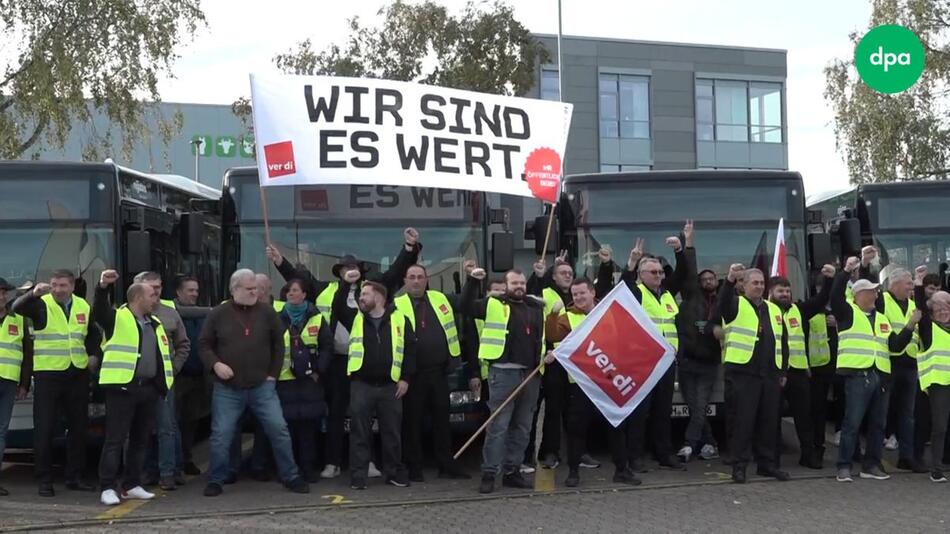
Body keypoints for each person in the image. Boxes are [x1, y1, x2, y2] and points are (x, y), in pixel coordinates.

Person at [265, 227, 420, 479]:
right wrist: (280, 260)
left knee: (366, 416)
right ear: (339, 272)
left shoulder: (373, 291)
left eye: (354, 266)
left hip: (365, 363)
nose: (350, 270)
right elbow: (297, 278)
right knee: (336, 412)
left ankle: (368, 461)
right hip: (337, 363)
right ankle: (333, 462)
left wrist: (409, 248)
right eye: (345, 267)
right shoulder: (325, 290)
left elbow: (395, 273)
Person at [199, 269, 309, 497]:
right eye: (249, 289)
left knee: (279, 429)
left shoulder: (267, 313)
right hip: (228, 388)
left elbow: (279, 344)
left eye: (256, 288)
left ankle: (291, 475)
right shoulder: (218, 314)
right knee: (222, 434)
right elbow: (204, 344)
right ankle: (216, 479)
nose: (255, 293)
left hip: (262, 386)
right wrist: (216, 365)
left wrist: (273, 374)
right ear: (234, 289)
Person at [602, 226, 691, 472]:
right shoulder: (636, 293)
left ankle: (663, 453)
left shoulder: (666, 295)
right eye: (653, 272)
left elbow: (683, 275)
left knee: (663, 412)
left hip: (666, 362)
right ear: (642, 275)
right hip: (642, 363)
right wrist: (630, 264)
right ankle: (635, 457)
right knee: (640, 412)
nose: (659, 276)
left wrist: (680, 251)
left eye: (661, 272)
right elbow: (620, 292)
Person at [12, 269, 101, 497]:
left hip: (77, 373)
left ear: (72, 286)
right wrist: (32, 293)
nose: (58, 290)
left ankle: (75, 476)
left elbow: (92, 334)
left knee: (79, 427)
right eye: (54, 285)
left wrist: (93, 355)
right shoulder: (41, 304)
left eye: (62, 285)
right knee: (45, 428)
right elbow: (16, 308)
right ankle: (44, 480)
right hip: (48, 375)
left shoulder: (82, 305)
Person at [831, 256, 918, 482]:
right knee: (852, 423)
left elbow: (895, 346)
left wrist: (909, 327)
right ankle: (844, 466)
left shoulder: (881, 318)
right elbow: (834, 296)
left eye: (876, 291)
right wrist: (846, 271)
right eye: (870, 291)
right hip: (857, 376)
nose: (875, 294)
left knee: (878, 425)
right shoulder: (847, 313)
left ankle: (871, 465)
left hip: (880, 376)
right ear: (858, 295)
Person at [93, 272, 176, 505]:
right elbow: (99, 310)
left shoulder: (155, 323)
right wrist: (102, 287)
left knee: (140, 440)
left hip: (148, 389)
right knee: (115, 439)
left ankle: (131, 484)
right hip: (122, 388)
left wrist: (161, 386)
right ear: (137, 298)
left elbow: (161, 357)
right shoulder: (117, 318)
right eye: (151, 294)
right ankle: (107, 486)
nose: (156, 298)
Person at [462, 266, 544, 494]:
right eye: (514, 283)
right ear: (506, 286)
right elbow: (465, 306)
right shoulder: (493, 304)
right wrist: (472, 282)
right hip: (503, 373)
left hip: (531, 373)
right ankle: (489, 473)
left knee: (523, 426)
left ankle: (512, 471)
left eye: (522, 283)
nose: (519, 287)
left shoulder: (536, 306)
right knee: (498, 426)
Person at [396, 264, 470, 481]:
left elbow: (465, 303)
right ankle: (414, 467)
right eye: (412, 277)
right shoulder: (397, 305)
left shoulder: (440, 299)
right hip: (412, 375)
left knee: (442, 423)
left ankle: (446, 465)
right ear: (405, 280)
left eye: (420, 277)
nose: (416, 281)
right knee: (412, 423)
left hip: (439, 373)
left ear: (427, 279)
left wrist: (472, 280)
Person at [718, 263, 790, 484]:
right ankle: (739, 467)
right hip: (743, 373)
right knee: (743, 423)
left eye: (761, 283)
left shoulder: (774, 309)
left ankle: (767, 465)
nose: (759, 287)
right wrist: (729, 279)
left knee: (769, 422)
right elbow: (721, 305)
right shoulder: (736, 304)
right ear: (744, 285)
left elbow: (783, 341)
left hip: (769, 374)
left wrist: (783, 370)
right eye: (754, 283)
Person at [347, 280, 416, 490]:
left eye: (365, 294)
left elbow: (411, 352)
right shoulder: (356, 317)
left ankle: (394, 473)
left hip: (390, 386)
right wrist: (347, 283)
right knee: (359, 432)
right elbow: (341, 305)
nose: (361, 298)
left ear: (379, 297)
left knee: (392, 432)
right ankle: (358, 476)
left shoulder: (400, 320)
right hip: (362, 384)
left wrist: (405, 379)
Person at [767, 265, 835, 470]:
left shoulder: (799, 309)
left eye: (787, 291)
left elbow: (821, 300)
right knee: (772, 418)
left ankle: (808, 455)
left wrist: (829, 280)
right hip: (774, 371)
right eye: (780, 291)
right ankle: (772, 459)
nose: (785, 294)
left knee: (804, 417)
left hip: (798, 372)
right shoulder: (764, 310)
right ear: (771, 293)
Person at [864, 259, 928, 473]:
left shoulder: (912, 305)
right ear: (894, 284)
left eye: (912, 284)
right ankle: (874, 460)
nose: (911, 287)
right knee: (880, 415)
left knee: (907, 416)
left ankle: (906, 457)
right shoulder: (882, 301)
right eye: (908, 283)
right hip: (888, 364)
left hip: (910, 365)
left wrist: (919, 283)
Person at [545, 278, 604, 487]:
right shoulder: (568, 316)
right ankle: (573, 472)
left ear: (592, 292)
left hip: (606, 380)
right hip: (579, 382)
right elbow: (552, 335)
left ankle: (623, 469)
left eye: (582, 293)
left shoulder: (606, 311)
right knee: (576, 428)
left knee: (617, 426)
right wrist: (553, 315)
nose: (578, 298)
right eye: (575, 294)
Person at [133, 272, 190, 490]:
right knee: (142, 428)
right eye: (150, 287)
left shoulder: (170, 314)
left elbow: (184, 344)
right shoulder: (127, 314)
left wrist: (174, 368)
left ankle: (168, 473)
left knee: (167, 427)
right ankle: (147, 471)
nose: (155, 291)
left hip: (164, 380)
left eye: (158, 286)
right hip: (137, 380)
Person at [673, 234, 723, 463]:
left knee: (700, 405)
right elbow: (690, 271)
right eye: (704, 278)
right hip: (687, 362)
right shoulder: (692, 299)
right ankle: (710, 443)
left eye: (712, 277)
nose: (708, 280)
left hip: (709, 364)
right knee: (695, 406)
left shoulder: (723, 302)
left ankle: (688, 445)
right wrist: (689, 246)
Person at [276, 279, 332, 483]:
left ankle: (308, 469)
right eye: (288, 291)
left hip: (310, 382)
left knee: (309, 430)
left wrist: (319, 371)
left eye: (295, 291)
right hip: (284, 382)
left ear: (304, 294)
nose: (290, 294)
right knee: (286, 431)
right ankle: (290, 471)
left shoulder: (317, 318)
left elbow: (327, 346)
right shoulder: (277, 318)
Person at [912, 266, 950, 482]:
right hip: (938, 385)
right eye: (939, 307)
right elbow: (920, 306)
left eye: (947, 306)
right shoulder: (929, 327)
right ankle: (936, 469)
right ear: (932, 310)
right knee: (940, 427)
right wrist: (918, 282)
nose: (943, 310)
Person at [173, 276, 209, 476]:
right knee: (174, 422)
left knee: (191, 422)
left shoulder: (201, 315)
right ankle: (176, 463)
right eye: (190, 290)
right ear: (179, 293)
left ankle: (186, 459)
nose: (194, 294)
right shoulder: (171, 312)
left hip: (197, 377)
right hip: (179, 377)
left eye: (196, 290)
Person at [0, 278, 29, 496]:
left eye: (4, 293)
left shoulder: (18, 319)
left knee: (1, 432)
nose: (1, 297)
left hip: (8, 383)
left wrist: (24, 383)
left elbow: (27, 354)